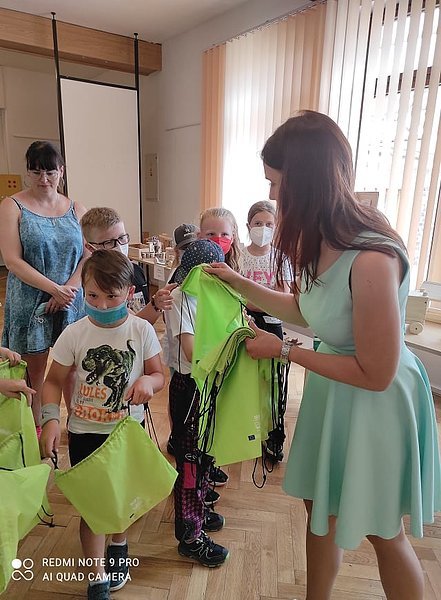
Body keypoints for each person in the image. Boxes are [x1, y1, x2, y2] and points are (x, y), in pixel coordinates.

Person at [205, 110, 441, 600]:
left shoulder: (372, 258)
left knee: (382, 530)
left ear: (305, 182)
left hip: (376, 401)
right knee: (319, 510)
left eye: (276, 183)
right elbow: (309, 310)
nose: (272, 195)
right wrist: (238, 282)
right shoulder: (321, 241)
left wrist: (284, 349)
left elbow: (375, 373)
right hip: (333, 390)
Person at [39, 250, 165, 600]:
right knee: (92, 507)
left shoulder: (141, 330)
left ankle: (119, 544)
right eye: (93, 295)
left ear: (130, 292)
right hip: (84, 434)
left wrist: (148, 382)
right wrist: (51, 420)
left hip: (127, 434)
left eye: (112, 296)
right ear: (83, 290)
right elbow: (53, 381)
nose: (102, 304)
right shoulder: (74, 333)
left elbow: (158, 374)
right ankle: (96, 576)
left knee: (122, 498)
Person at [0, 141, 87, 434]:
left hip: (71, 299)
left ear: (61, 171)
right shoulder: (12, 206)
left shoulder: (76, 208)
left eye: (50, 172)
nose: (44, 179)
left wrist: (67, 290)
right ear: (28, 173)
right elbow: (12, 260)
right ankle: (35, 431)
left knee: (72, 368)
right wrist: (54, 289)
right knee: (33, 373)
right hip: (30, 299)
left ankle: (77, 427)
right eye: (36, 172)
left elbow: (88, 254)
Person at [165, 239, 229, 567]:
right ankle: (189, 536)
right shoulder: (180, 299)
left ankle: (199, 507)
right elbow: (192, 353)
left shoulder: (215, 296)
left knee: (205, 456)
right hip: (189, 387)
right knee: (190, 462)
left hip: (210, 384)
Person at [240, 200, 293, 461]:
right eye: (258, 223)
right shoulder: (239, 255)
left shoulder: (281, 257)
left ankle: (274, 436)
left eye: (269, 224)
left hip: (272, 325)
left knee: (273, 383)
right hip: (242, 324)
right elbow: (232, 294)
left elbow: (284, 296)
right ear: (248, 225)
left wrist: (252, 302)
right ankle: (243, 430)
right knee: (243, 378)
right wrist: (262, 301)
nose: (263, 228)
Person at [80, 207, 173, 319]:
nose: (119, 247)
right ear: (91, 248)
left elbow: (139, 321)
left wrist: (156, 305)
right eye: (109, 242)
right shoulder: (91, 280)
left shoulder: (136, 272)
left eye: (122, 238)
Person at [199, 207, 241, 272]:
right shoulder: (193, 263)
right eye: (211, 234)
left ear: (232, 237)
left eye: (224, 234)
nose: (218, 240)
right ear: (200, 236)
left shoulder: (237, 268)